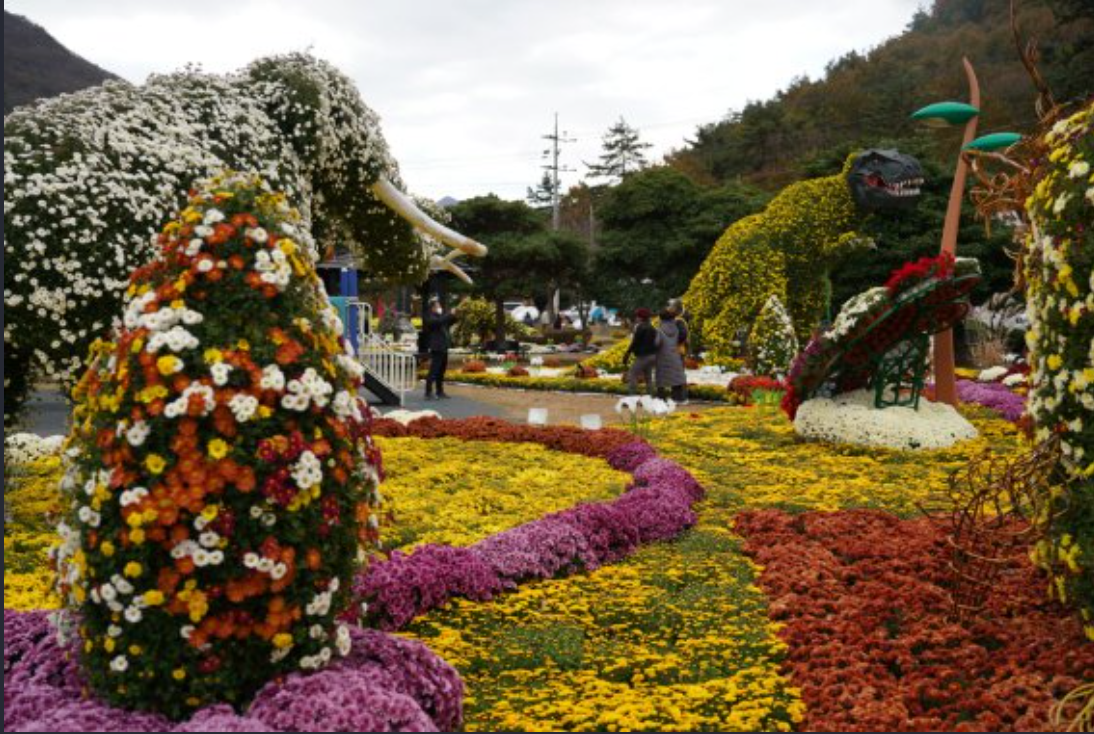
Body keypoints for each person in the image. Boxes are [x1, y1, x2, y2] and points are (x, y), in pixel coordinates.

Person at [422, 296, 459, 400]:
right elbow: (438, 322)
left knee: (441, 371)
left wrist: (455, 315)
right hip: (437, 347)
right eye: (438, 305)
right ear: (432, 308)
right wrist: (449, 314)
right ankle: (428, 392)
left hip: (444, 347)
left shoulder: (440, 316)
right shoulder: (430, 316)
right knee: (434, 371)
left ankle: (440, 391)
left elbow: (450, 321)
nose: (440, 307)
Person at [622, 308, 660, 397]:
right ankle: (651, 397)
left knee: (632, 374)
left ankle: (632, 398)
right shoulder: (652, 327)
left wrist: (627, 354)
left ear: (641, 317)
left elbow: (635, 342)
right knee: (648, 377)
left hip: (643, 356)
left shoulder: (640, 327)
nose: (636, 318)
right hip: (652, 355)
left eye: (637, 316)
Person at [655, 308, 687, 402]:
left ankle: (661, 397)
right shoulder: (677, 328)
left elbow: (656, 343)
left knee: (661, 377)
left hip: (662, 356)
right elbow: (682, 337)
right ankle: (678, 397)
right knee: (676, 377)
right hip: (675, 354)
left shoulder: (659, 329)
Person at [666, 298, 690, 403]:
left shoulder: (679, 321)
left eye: (670, 307)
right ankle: (676, 396)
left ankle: (680, 398)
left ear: (676, 309)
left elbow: (682, 335)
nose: (668, 308)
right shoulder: (674, 320)